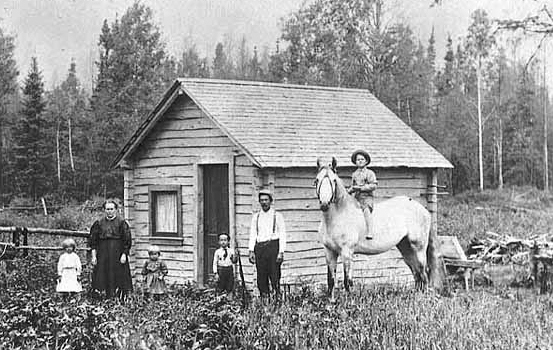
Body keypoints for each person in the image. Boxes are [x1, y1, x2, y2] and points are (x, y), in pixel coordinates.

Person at [89, 199, 133, 300]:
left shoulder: (122, 223)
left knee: (119, 275)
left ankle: (120, 298)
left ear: (116, 210)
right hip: (103, 254)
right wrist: (94, 256)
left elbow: (127, 240)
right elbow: (93, 242)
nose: (109, 211)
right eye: (107, 209)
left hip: (117, 253)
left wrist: (124, 254)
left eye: (111, 209)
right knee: (102, 275)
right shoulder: (99, 223)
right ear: (104, 210)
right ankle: (103, 298)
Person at [248, 189, 286, 301]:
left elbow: (283, 234)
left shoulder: (277, 216)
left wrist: (281, 252)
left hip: (273, 247)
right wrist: (251, 250)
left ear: (270, 201)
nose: (264, 202)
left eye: (266, 200)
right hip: (260, 249)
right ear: (259, 202)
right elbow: (253, 234)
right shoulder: (256, 217)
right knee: (261, 277)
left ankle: (276, 300)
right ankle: (264, 301)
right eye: (261, 200)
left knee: (274, 276)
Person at [348, 149, 378, 240]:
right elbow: (352, 186)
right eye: (358, 160)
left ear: (366, 161)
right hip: (356, 197)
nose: (360, 161)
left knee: (366, 210)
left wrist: (361, 188)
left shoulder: (369, 173)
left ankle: (370, 231)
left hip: (366, 197)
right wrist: (349, 190)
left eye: (362, 159)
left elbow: (373, 185)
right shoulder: (354, 174)